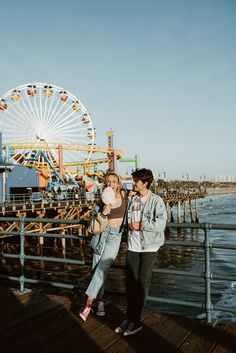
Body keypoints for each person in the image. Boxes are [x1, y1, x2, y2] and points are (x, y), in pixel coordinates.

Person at [115, 168, 167, 336]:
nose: (133, 183)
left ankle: (135, 321)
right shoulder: (133, 199)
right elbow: (125, 220)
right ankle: (129, 318)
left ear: (145, 183)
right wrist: (126, 200)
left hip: (149, 247)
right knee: (130, 284)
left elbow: (160, 224)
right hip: (133, 246)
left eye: (136, 181)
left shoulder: (156, 201)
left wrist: (140, 225)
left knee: (142, 284)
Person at [79, 172, 127, 321]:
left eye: (114, 181)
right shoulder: (102, 200)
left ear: (119, 183)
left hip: (115, 236)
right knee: (97, 271)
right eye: (108, 182)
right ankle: (99, 303)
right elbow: (94, 220)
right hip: (102, 235)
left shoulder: (125, 196)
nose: (111, 184)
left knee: (102, 269)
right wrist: (103, 213)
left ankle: (88, 305)